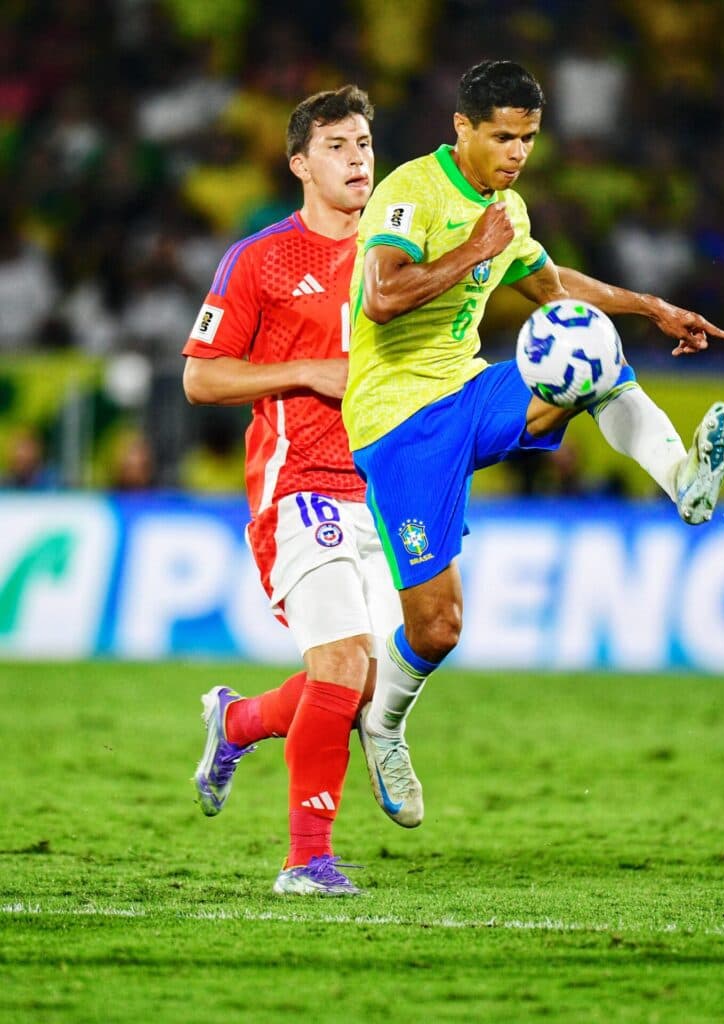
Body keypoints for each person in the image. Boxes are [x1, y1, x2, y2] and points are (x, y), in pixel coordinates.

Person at [342, 60, 724, 826]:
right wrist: (471, 251)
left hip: (466, 389)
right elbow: (383, 297)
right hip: (396, 423)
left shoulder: (507, 210)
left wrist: (651, 307)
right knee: (437, 627)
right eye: (502, 137)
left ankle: (683, 481)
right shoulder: (409, 193)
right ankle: (383, 725)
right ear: (461, 128)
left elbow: (552, 284)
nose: (516, 153)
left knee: (586, 351)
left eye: (527, 139)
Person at [183, 86, 421, 898]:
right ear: (299, 165)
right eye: (338, 146)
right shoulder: (261, 259)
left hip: (380, 493)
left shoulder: (395, 258)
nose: (359, 158)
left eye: (365, 143)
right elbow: (199, 377)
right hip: (298, 489)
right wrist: (303, 371)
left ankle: (238, 721)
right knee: (343, 662)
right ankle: (306, 863)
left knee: (354, 687)